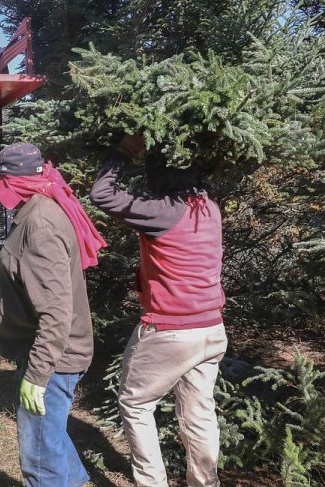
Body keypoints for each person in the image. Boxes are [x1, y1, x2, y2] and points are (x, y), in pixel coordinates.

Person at [90, 133, 227, 487]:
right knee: (199, 414)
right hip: (212, 329)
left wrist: (121, 152)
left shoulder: (163, 211)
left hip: (169, 330)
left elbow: (102, 194)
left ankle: (151, 483)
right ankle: (205, 482)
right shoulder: (209, 207)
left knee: (136, 405)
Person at [0, 143, 106, 487]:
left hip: (53, 358)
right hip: (51, 352)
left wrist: (37, 375)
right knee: (49, 436)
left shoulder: (40, 223)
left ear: (9, 182)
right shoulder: (40, 207)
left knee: (38, 456)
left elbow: (56, 312)